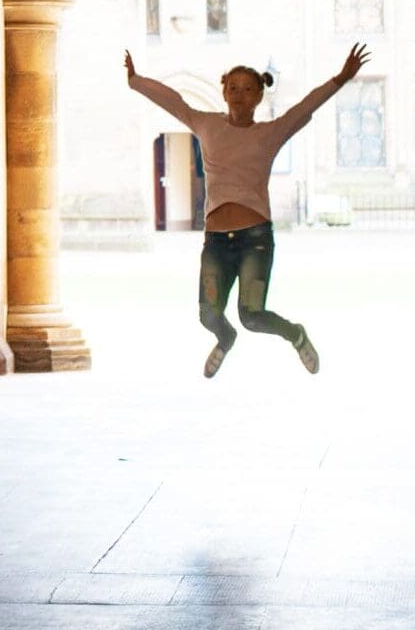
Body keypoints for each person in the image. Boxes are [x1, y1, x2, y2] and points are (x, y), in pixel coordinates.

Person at [124, 42, 370, 378]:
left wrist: (341, 78)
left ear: (258, 97)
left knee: (252, 315)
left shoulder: (270, 133)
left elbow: (305, 106)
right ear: (223, 92)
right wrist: (136, 80)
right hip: (215, 241)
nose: (240, 94)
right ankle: (225, 338)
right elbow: (173, 101)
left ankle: (295, 334)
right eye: (233, 88)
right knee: (208, 315)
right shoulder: (206, 124)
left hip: (255, 239)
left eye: (248, 89)